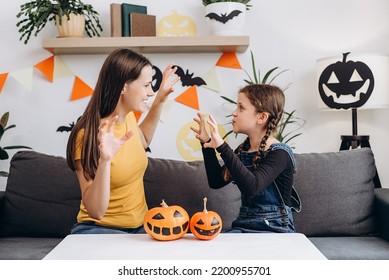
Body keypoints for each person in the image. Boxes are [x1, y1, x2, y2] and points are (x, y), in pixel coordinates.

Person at [66, 49, 179, 234]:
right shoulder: (85, 136)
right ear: (123, 87)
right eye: (147, 85)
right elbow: (96, 211)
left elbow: (143, 141)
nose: (151, 92)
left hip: (141, 227)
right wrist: (106, 159)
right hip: (99, 228)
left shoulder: (128, 118)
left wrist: (160, 100)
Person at [191, 84, 301, 233]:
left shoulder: (280, 154)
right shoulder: (244, 150)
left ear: (262, 117)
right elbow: (216, 181)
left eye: (241, 108)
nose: (234, 113)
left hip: (275, 229)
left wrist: (222, 147)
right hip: (244, 225)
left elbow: (252, 187)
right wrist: (207, 143)